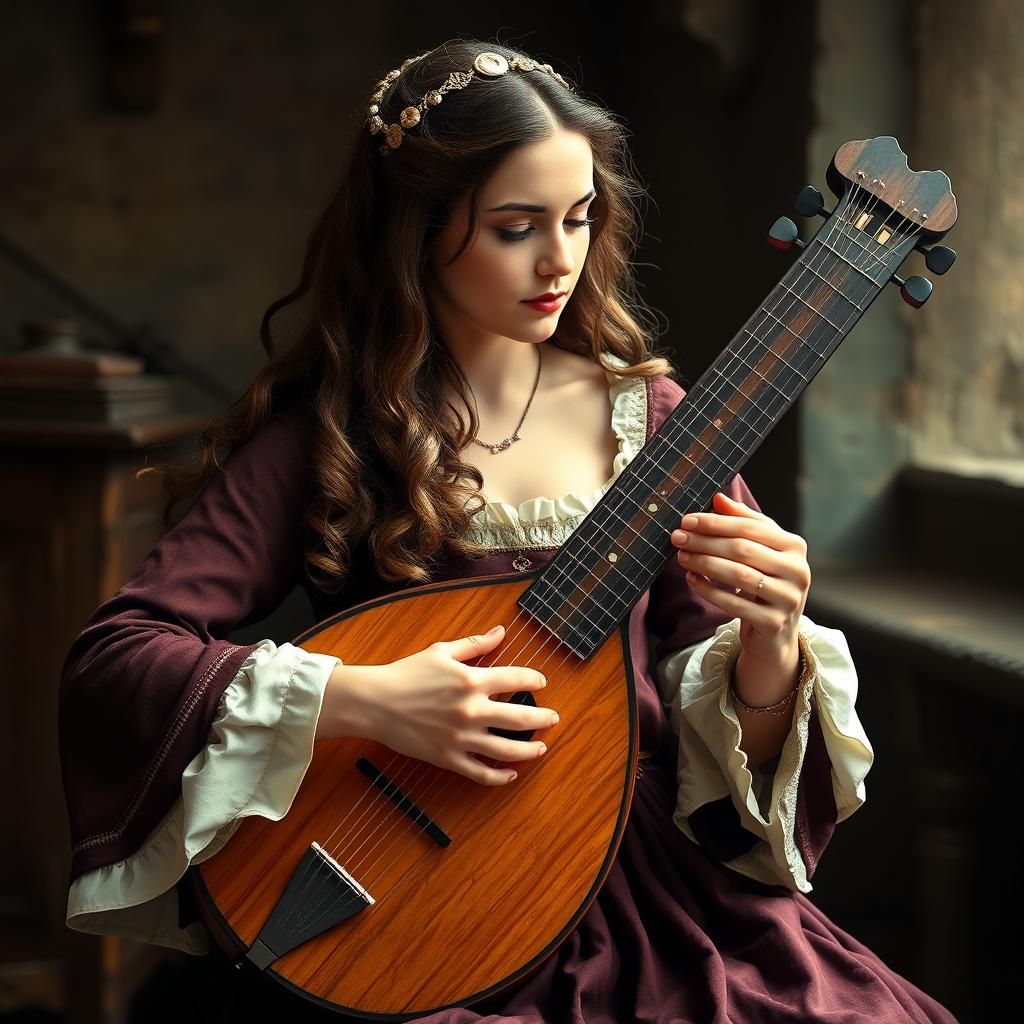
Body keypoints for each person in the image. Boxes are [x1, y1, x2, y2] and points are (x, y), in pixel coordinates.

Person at [57, 36, 957, 1024]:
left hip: (645, 892)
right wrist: (365, 698)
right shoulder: (331, 432)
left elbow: (712, 695)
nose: (559, 259)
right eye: (515, 227)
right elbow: (117, 657)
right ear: (417, 230)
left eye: (578, 218)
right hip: (403, 897)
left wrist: (769, 641)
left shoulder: (651, 419)